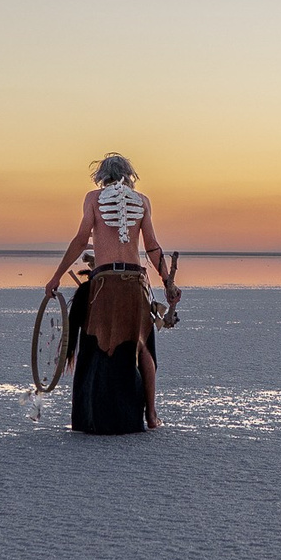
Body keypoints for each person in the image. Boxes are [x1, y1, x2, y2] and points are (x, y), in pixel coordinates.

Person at [46, 153, 178, 433]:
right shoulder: (142, 201)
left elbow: (82, 239)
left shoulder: (93, 199)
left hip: (105, 284)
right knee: (142, 346)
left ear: (101, 176)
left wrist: (57, 276)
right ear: (129, 176)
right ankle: (152, 415)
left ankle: (94, 415)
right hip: (133, 282)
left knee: (96, 347)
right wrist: (166, 280)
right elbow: (152, 246)